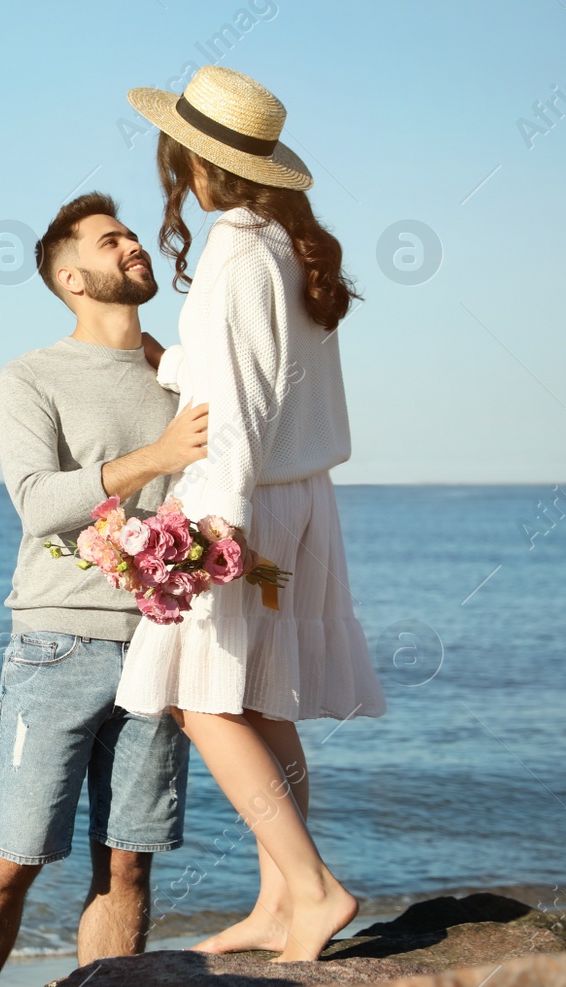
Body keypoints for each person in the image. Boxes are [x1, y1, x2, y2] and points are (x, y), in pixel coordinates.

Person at [115, 65, 387, 963]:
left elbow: (237, 410)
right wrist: (172, 364)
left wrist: (211, 532)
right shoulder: (286, 243)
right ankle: (280, 903)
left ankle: (312, 889)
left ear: (193, 160)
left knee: (200, 701)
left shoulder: (234, 250)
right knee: (266, 699)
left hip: (245, 500)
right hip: (301, 499)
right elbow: (263, 382)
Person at [0, 191, 210, 986]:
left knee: (128, 867)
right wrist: (157, 456)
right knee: (13, 859)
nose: (133, 245)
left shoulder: (180, 374)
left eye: (132, 234)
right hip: (59, 645)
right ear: (73, 277)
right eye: (111, 240)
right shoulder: (31, 376)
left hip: (161, 647)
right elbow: (37, 501)